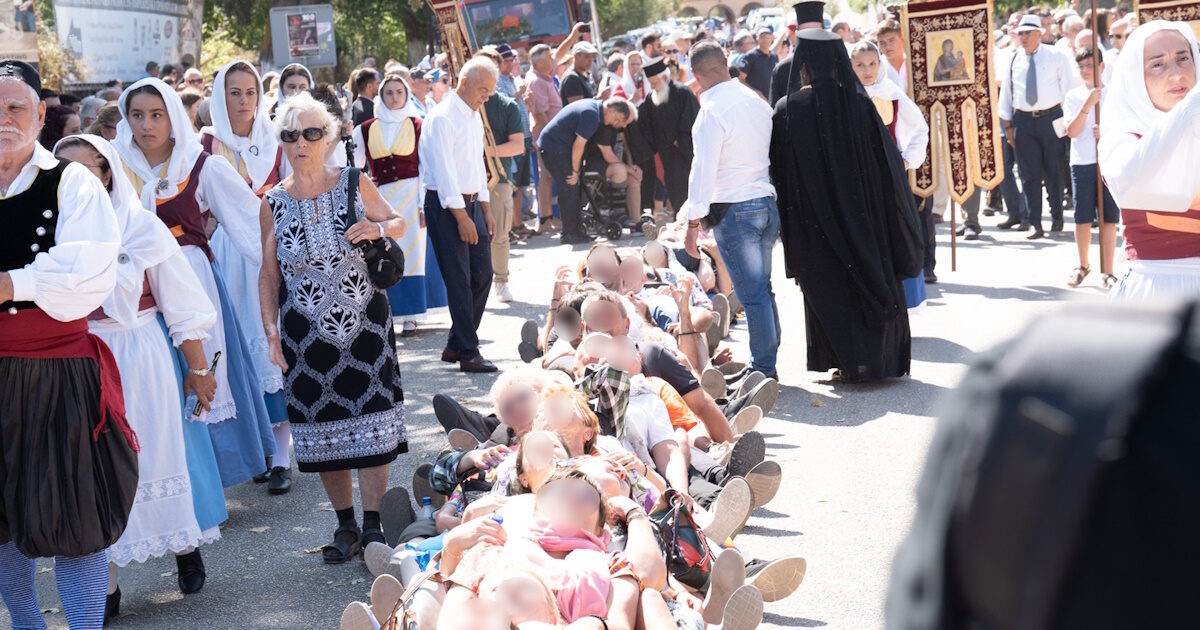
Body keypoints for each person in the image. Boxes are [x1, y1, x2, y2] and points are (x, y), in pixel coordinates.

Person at [53, 134, 223, 614]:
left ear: (107, 173)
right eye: (63, 174)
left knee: (156, 451)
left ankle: (183, 544)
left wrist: (198, 369)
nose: (73, 182)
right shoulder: (52, 232)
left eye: (83, 170)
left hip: (141, 351)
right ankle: (104, 584)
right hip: (81, 357)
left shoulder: (142, 226)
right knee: (92, 465)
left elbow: (181, 302)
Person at [0, 60, 134, 630]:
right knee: (1, 518)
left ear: (38, 115)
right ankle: (27, 625)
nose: (4, 119)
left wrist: (11, 284)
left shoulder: (71, 182)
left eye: (15, 107)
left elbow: (89, 269)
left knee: (76, 515)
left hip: (57, 371)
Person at [260, 91, 409, 563]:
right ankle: (345, 525)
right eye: (291, 135)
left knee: (373, 427)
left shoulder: (352, 181)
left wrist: (378, 229)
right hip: (304, 336)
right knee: (324, 431)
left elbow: (400, 221)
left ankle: (373, 524)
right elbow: (268, 275)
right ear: (282, 142)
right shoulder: (272, 201)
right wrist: (270, 334)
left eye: (311, 133)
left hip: (365, 326)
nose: (301, 143)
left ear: (327, 137)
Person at [114, 78, 278, 493]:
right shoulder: (113, 164)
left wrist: (281, 269)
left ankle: (209, 485)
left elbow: (251, 219)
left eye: (156, 115)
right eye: (137, 115)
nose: (147, 125)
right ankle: (165, 483)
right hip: (135, 288)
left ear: (173, 116)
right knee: (157, 383)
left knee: (202, 372)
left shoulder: (200, 164)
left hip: (192, 279)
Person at [769, 26, 923, 382]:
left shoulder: (788, 109)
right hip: (864, 215)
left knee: (830, 286)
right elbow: (887, 165)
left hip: (814, 220)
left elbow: (780, 171)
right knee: (866, 276)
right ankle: (878, 361)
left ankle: (846, 362)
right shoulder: (859, 104)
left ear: (804, 66)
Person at [200, 60, 295, 494]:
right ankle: (258, 449)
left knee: (272, 338)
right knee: (237, 344)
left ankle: (282, 456)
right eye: (234, 92)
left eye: (250, 92)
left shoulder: (274, 139)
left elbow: (292, 191)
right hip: (224, 252)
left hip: (268, 249)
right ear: (220, 96)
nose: (243, 101)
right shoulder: (204, 143)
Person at [681, 42, 781, 379]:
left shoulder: (711, 111)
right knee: (761, 290)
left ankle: (763, 368)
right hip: (764, 201)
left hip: (737, 209)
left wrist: (692, 224)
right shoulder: (755, 99)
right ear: (726, 61)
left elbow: (702, 172)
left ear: (694, 75)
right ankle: (766, 362)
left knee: (753, 294)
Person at [1098, 20, 1200, 300]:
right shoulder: (1122, 137)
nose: (1176, 74)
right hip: (1154, 289)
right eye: (1158, 64)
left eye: (1183, 59)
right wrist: (1187, 111)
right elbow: (1128, 181)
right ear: (1135, 77)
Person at [420, 57, 502, 373]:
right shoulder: (441, 118)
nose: (486, 97)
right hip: (446, 207)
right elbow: (445, 175)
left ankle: (456, 343)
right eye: (483, 90)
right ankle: (469, 352)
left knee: (483, 274)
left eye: (490, 92)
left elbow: (476, 167)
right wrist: (461, 217)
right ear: (464, 82)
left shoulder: (473, 116)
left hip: (471, 204)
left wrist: (485, 209)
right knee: (459, 280)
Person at [351, 74, 446, 338]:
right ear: (381, 96)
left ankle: (411, 314)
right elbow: (353, 166)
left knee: (412, 255)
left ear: (406, 95)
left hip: (411, 196)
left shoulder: (418, 125)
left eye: (399, 92)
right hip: (380, 198)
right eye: (389, 93)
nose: (394, 97)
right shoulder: (366, 129)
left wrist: (424, 205)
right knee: (383, 251)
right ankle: (388, 310)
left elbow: (427, 167)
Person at [850, 40, 931, 308]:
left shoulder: (892, 94)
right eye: (860, 65)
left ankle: (903, 302)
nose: (867, 70)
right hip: (858, 184)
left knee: (898, 237)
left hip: (890, 183)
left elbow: (920, 128)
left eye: (872, 64)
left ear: (879, 64)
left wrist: (907, 161)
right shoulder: (844, 97)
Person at [999, 14, 1076, 240]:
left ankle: (1057, 217)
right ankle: (1034, 223)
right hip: (1023, 121)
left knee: (1054, 170)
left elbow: (1068, 90)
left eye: (1027, 33)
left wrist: (1067, 122)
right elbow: (1007, 94)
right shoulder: (1013, 59)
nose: (1023, 37)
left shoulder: (1056, 56)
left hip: (1051, 118)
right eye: (1020, 33)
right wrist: (1008, 126)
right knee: (1029, 174)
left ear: (1038, 34)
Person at [537, 97, 637, 244]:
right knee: (569, 186)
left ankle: (576, 230)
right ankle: (569, 233)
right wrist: (575, 171)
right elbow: (579, 145)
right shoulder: (591, 115)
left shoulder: (594, 109)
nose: (616, 124)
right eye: (618, 120)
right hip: (554, 148)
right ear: (611, 111)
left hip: (558, 146)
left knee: (573, 188)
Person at [472, 51, 526, 306]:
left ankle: (501, 280)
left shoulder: (507, 106)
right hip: (466, 179)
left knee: (499, 232)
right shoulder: (462, 103)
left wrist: (485, 150)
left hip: (497, 178)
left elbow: (517, 145)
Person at [1063, 48, 1120, 289]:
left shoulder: (1115, 94)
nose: (1085, 70)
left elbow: (1123, 127)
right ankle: (1083, 264)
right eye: (1082, 66)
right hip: (1082, 161)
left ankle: (1108, 270)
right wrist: (1087, 104)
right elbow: (1072, 131)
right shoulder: (1073, 96)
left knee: (1108, 218)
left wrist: (1105, 133)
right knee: (1082, 217)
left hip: (1107, 161)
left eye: (1090, 65)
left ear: (1101, 66)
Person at [637, 57, 700, 218]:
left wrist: (679, 141)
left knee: (689, 194)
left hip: (685, 155)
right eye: (650, 83)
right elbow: (646, 127)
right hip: (667, 158)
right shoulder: (651, 99)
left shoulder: (683, 93)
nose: (652, 86)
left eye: (654, 82)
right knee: (675, 194)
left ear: (665, 78)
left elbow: (694, 123)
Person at [525, 44, 563, 234]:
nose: (553, 60)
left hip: (550, 135)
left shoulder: (544, 78)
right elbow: (540, 113)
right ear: (539, 62)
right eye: (549, 58)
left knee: (548, 177)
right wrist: (553, 135)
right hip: (547, 137)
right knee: (546, 177)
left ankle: (548, 217)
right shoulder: (537, 81)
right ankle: (545, 219)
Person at [738, 26, 779, 100]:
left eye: (767, 36)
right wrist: (756, 93)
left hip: (771, 99)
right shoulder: (750, 57)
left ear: (772, 38)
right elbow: (740, 79)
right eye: (761, 36)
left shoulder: (774, 56)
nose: (764, 39)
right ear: (757, 38)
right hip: (754, 100)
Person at [560, 41, 598, 105]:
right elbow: (579, 107)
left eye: (592, 56)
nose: (590, 60)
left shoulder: (585, 75)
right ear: (576, 56)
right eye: (587, 56)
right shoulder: (571, 78)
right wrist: (600, 97)